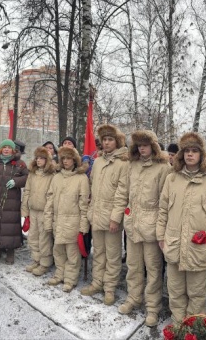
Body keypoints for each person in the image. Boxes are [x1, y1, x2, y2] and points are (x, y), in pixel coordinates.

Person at [157, 132, 206, 324]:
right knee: (175, 291)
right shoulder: (172, 178)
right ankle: (178, 325)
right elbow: (163, 210)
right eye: (186, 150)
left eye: (194, 150)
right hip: (174, 245)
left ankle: (193, 328)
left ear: (201, 154)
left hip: (199, 248)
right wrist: (161, 237)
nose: (190, 154)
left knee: (197, 293)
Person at [119, 130, 170, 327]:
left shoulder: (163, 168)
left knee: (154, 270)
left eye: (145, 145)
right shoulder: (131, 165)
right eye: (139, 145)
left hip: (152, 225)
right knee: (133, 266)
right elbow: (124, 191)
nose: (142, 148)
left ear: (153, 146)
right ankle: (133, 298)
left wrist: (161, 228)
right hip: (133, 223)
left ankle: (153, 307)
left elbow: (165, 201)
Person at [81, 124, 129, 306]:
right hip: (96, 214)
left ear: (117, 142)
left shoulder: (123, 163)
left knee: (112, 255)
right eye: (104, 140)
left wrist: (116, 218)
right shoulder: (98, 161)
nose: (107, 143)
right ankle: (97, 282)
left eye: (110, 139)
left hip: (111, 218)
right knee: (98, 252)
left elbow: (122, 193)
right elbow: (92, 186)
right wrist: (90, 211)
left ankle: (109, 288)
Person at [43, 146, 90, 292]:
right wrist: (48, 220)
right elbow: (50, 199)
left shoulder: (81, 178)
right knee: (58, 251)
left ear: (75, 160)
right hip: (58, 221)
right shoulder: (57, 177)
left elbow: (84, 204)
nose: (65, 161)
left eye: (68, 158)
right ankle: (59, 274)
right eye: (63, 158)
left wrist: (83, 225)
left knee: (72, 254)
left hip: (73, 222)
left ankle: (70, 279)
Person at [0, 139, 29, 263]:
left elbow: (28, 177)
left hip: (12, 200)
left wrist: (16, 182)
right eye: (4, 147)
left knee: (11, 226)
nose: (6, 149)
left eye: (9, 148)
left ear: (13, 150)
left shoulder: (20, 163)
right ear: (0, 149)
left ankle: (10, 251)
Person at [22, 146, 57, 276]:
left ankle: (45, 263)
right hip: (33, 210)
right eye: (37, 158)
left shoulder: (51, 175)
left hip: (44, 211)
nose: (38, 160)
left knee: (44, 238)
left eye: (42, 158)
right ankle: (36, 260)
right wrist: (25, 209)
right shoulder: (32, 173)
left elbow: (52, 195)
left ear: (47, 160)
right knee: (33, 236)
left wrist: (49, 211)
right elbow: (27, 191)